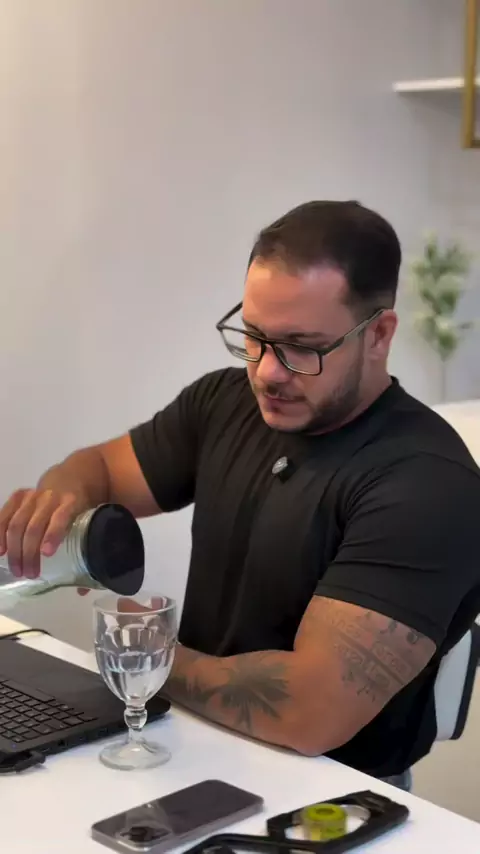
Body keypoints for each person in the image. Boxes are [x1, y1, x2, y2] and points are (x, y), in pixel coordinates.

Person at [1, 200, 480, 789]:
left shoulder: (426, 484)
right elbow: (100, 468)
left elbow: (309, 713)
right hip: (193, 744)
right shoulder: (225, 403)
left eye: (302, 346)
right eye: (254, 336)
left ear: (378, 334)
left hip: (333, 798)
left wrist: (145, 656)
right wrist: (60, 499)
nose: (267, 372)